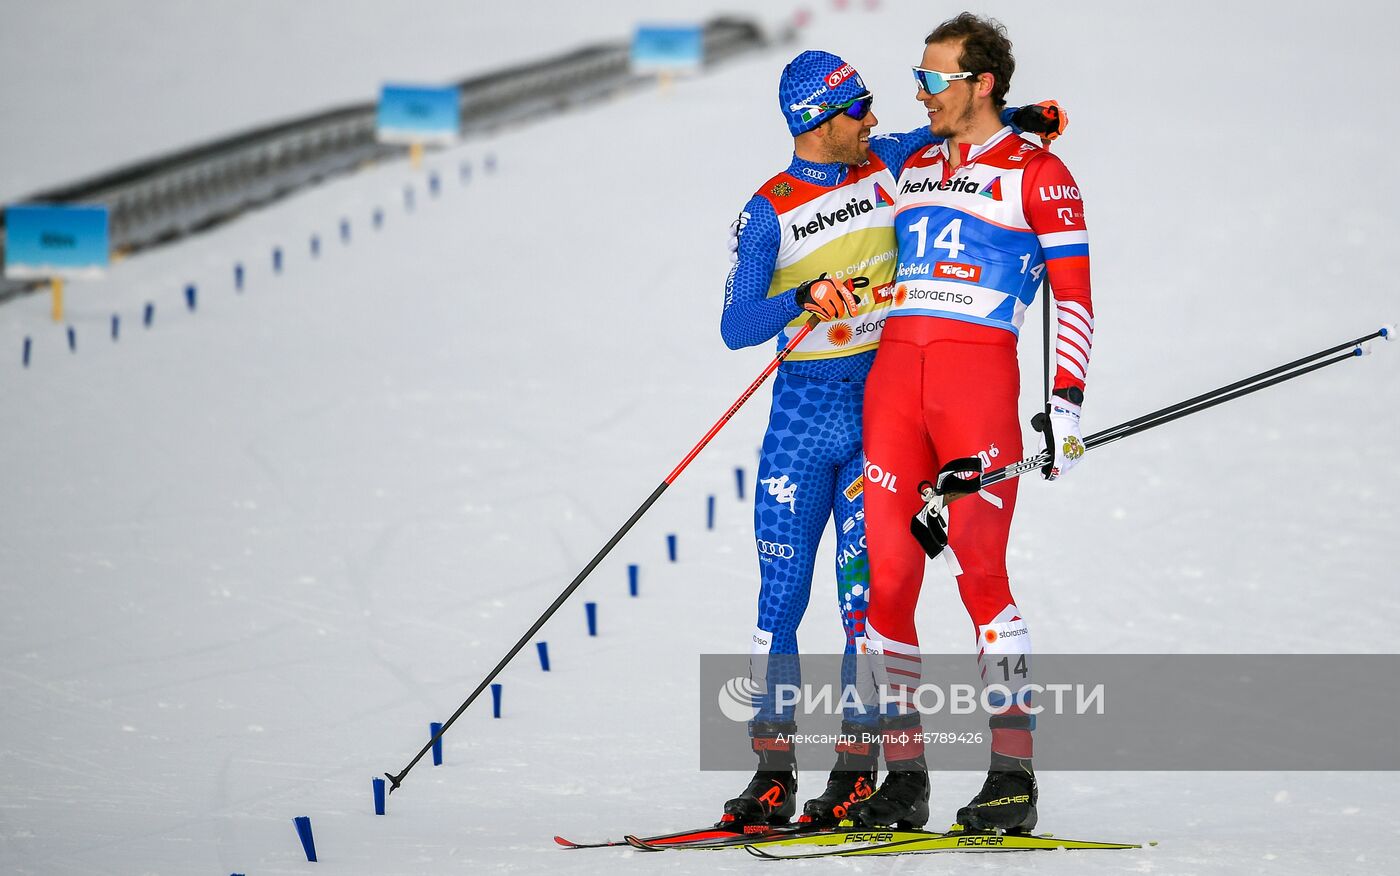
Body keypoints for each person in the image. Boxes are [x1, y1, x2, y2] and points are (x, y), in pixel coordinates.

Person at [719, 47, 1067, 829]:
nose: (876, 119)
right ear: (819, 122)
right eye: (859, 108)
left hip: (881, 408)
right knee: (780, 599)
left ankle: (855, 771)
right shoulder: (768, 208)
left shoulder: (893, 158)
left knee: (864, 606)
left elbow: (966, 125)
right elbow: (736, 326)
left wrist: (1025, 117)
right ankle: (772, 771)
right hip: (804, 414)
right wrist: (802, 296)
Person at [848, 13, 1094, 834]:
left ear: (979, 82)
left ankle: (1012, 775)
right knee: (886, 584)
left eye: (932, 79)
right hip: (892, 391)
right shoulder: (910, 157)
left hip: (977, 390)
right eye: (917, 78)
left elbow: (1076, 294)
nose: (917, 93)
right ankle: (905, 776)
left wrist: (1065, 404)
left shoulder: (1042, 174)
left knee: (981, 578)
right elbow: (845, 152)